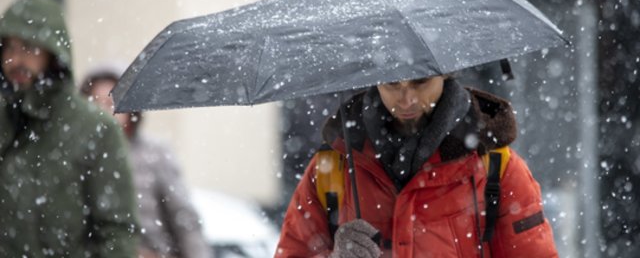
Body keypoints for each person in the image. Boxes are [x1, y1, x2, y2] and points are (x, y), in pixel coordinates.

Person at [276, 75, 559, 257]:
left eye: (420, 81)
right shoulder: (332, 167)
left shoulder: (497, 167)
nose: (407, 98)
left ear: (445, 72)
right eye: (392, 84)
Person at [0, 0, 138, 256]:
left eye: (29, 48)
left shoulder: (95, 130)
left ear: (53, 54)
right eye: (10, 47)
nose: (15, 60)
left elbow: (118, 230)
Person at [80, 64, 213, 258]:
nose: (103, 112)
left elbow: (184, 219)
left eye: (110, 104)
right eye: (95, 103)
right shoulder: (76, 156)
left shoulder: (155, 154)